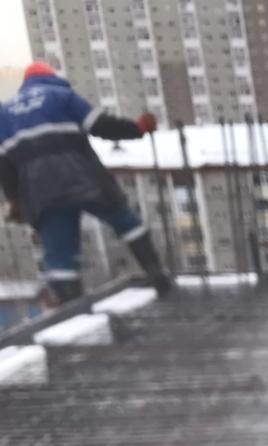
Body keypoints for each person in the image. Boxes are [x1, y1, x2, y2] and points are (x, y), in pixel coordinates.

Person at [0, 62, 172, 305]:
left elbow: (5, 166)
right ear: (52, 78)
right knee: (126, 222)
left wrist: (15, 201)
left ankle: (75, 311)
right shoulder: (61, 96)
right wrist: (138, 128)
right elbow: (101, 125)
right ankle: (157, 276)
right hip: (83, 178)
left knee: (60, 256)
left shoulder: (5, 113)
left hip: (42, 191)